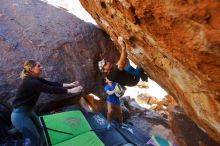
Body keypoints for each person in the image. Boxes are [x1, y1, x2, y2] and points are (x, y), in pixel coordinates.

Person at [11, 60, 83, 146]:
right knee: (35, 139)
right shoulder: (30, 82)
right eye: (38, 66)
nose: (41, 67)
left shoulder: (36, 78)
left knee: (41, 131)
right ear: (32, 69)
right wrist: (71, 91)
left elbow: (51, 84)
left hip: (28, 112)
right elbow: (50, 89)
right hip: (20, 116)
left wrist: (70, 84)